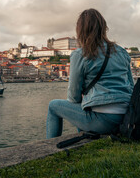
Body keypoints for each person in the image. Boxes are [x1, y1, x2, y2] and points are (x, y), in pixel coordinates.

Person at [46, 8, 134, 139]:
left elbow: (73, 96)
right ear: (103, 27)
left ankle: (50, 148)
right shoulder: (122, 52)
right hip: (127, 117)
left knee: (53, 106)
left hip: (104, 121)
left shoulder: (80, 54)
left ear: (80, 30)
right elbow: (131, 86)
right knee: (85, 106)